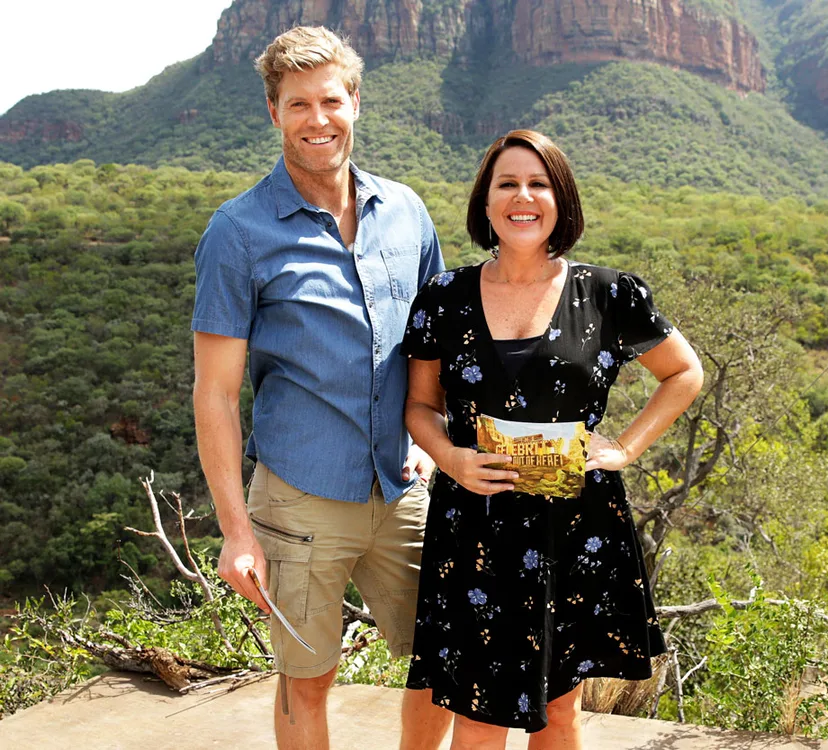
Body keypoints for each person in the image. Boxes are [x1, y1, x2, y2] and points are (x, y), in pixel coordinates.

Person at [191, 25, 452, 750]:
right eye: (298, 104)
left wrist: (435, 440)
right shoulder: (237, 232)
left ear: (356, 102)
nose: (318, 120)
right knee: (307, 680)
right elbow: (214, 394)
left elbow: (433, 348)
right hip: (299, 498)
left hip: (403, 488)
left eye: (330, 101)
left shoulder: (407, 213)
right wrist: (236, 530)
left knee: (442, 660)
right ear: (273, 113)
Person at [401, 130, 704, 748]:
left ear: (561, 201)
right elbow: (420, 407)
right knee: (478, 717)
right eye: (507, 183)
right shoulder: (443, 298)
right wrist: (451, 457)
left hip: (576, 528)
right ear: (485, 204)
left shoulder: (610, 293)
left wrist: (625, 447)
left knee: (562, 712)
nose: (524, 197)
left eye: (539, 184)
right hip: (475, 526)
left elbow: (684, 372)